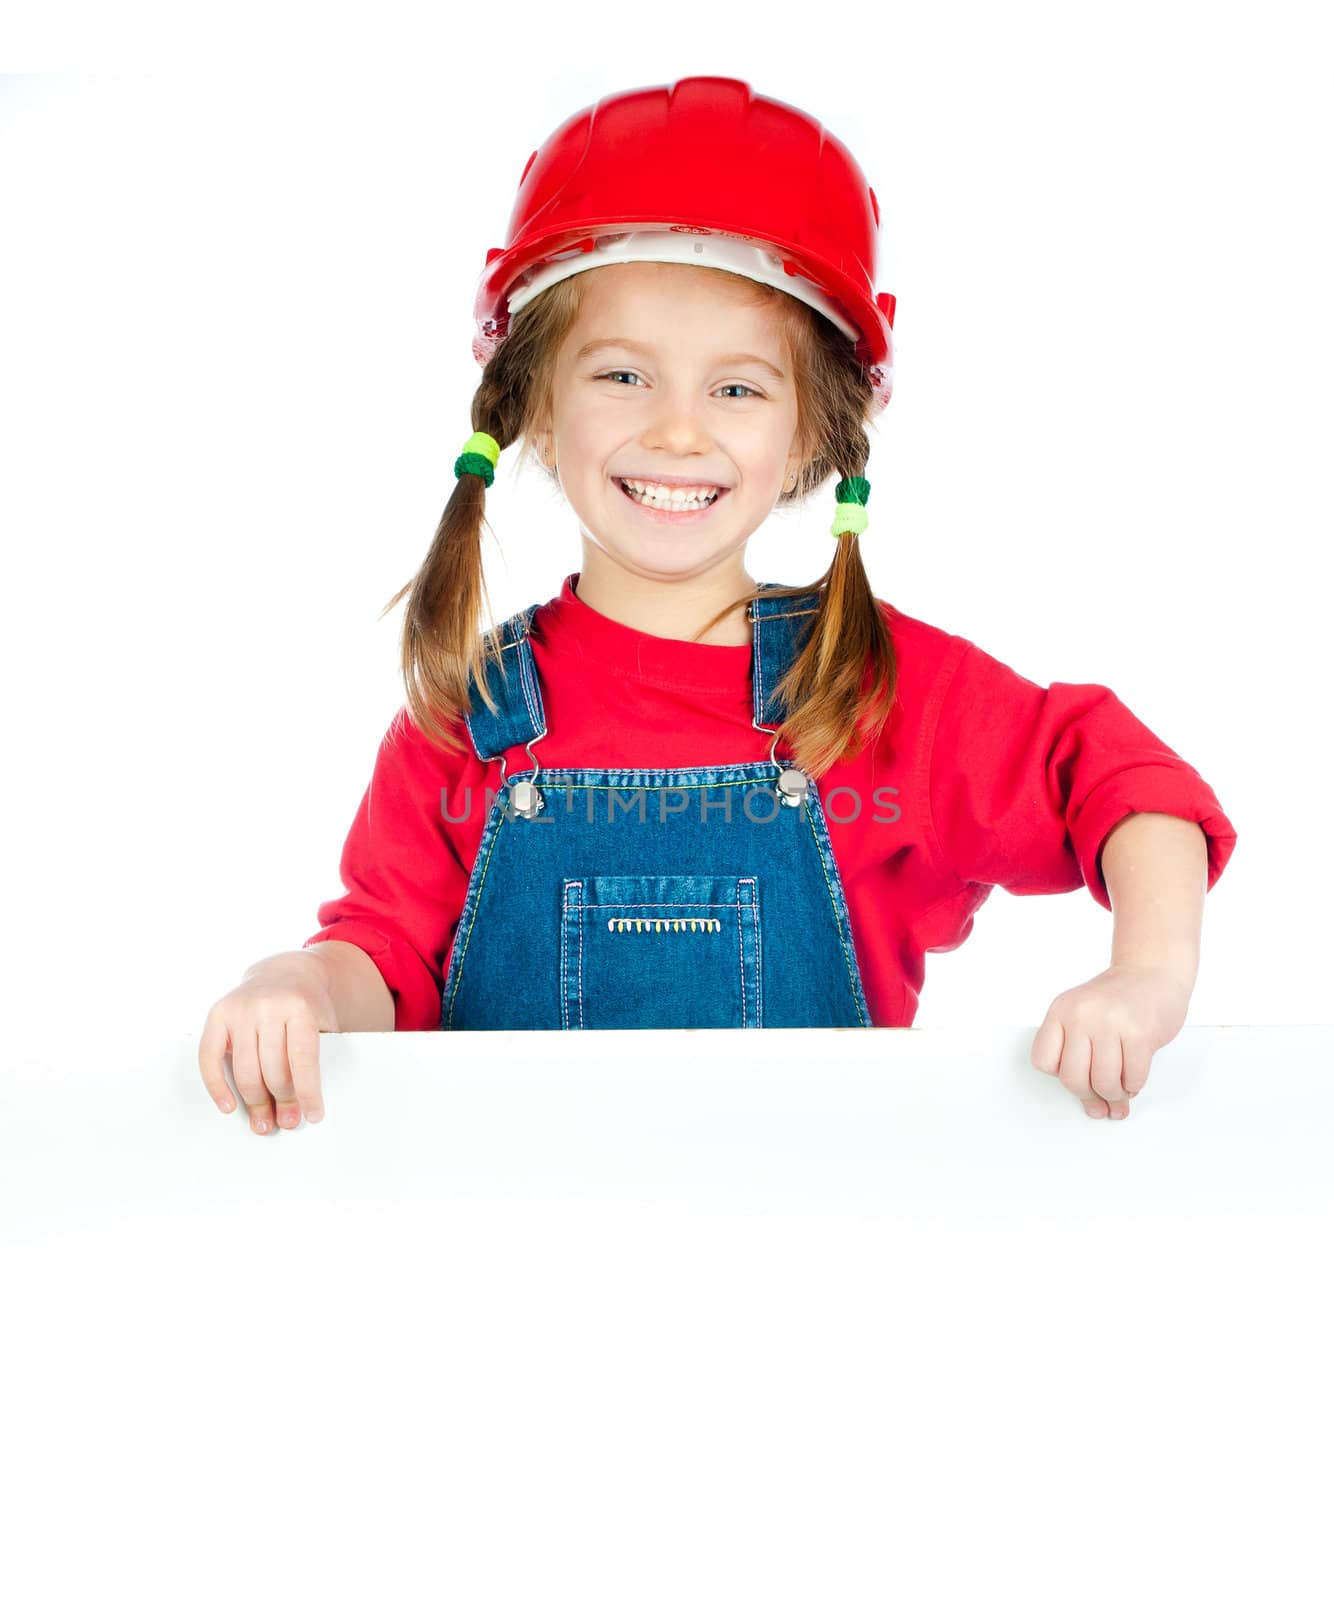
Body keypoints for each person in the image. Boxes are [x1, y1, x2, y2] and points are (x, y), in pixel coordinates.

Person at [198, 75, 1237, 1134]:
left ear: (810, 435)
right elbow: (380, 966)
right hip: (515, 1254)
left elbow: (1121, 783)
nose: (679, 432)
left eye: (735, 388)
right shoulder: (464, 717)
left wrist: (1146, 978)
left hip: (814, 1249)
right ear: (537, 408)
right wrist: (301, 988)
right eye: (621, 376)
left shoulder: (869, 691)